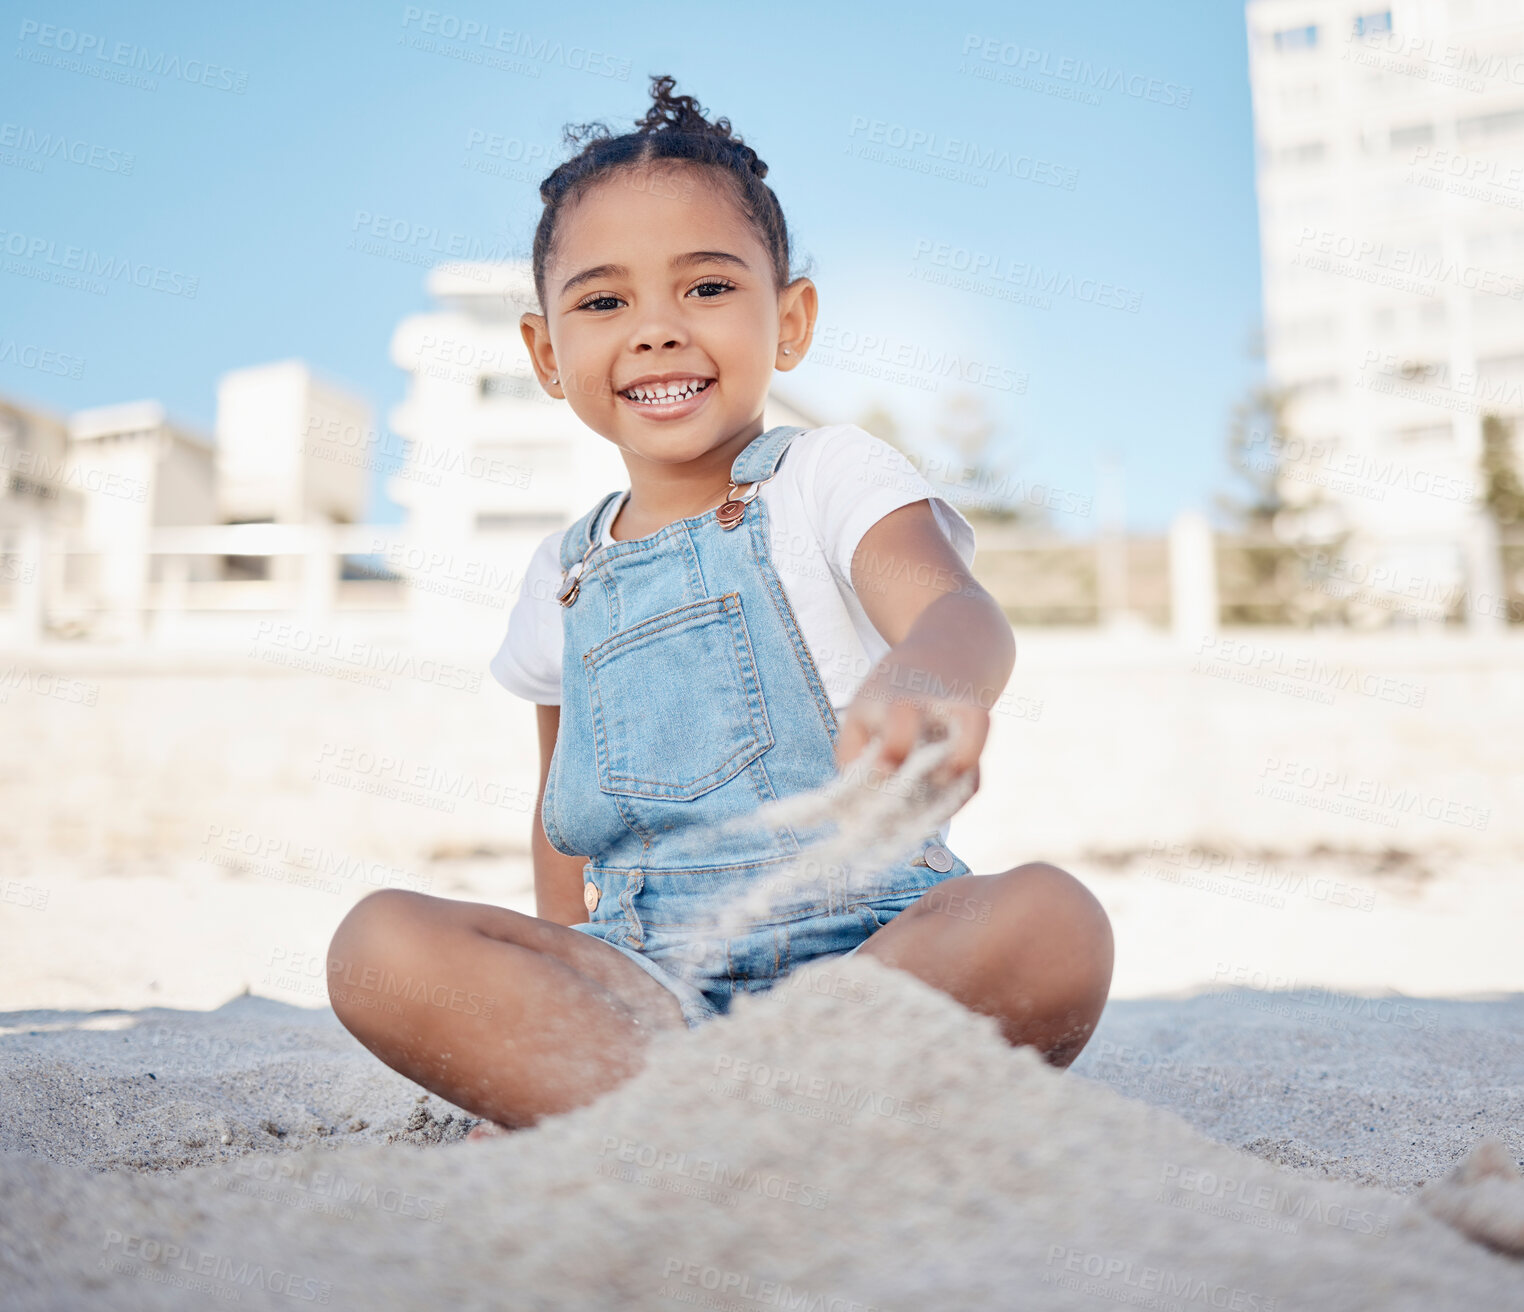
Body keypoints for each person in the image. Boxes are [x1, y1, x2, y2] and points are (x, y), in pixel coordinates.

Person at [328, 75, 1113, 1131]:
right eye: (605, 302)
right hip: (646, 988)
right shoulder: (562, 571)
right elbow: (564, 814)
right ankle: (723, 1111)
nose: (655, 332)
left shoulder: (829, 477)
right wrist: (557, 986)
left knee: (1052, 922)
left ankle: (699, 1117)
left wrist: (927, 677)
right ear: (546, 354)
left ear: (788, 322)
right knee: (378, 947)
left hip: (873, 961)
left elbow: (956, 608)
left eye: (705, 288)